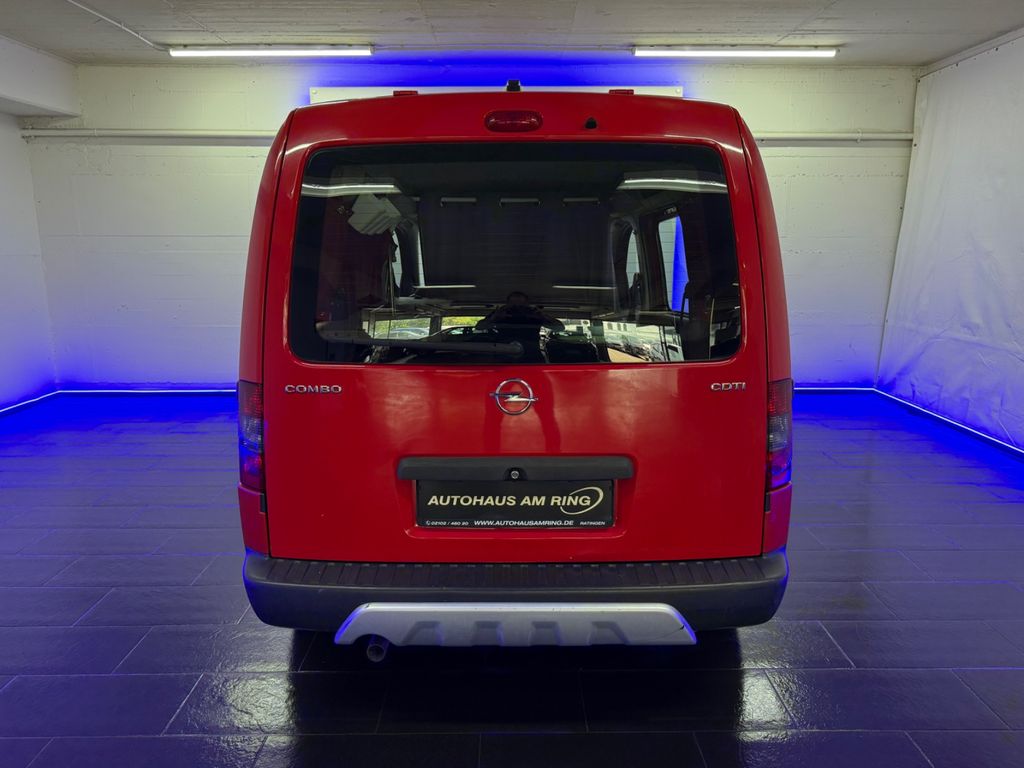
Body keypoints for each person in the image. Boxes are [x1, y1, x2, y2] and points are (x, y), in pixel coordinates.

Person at [476, 291, 564, 332]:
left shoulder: (533, 313)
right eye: (513, 303)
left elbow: (560, 328)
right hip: (503, 350)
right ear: (508, 303)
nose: (517, 306)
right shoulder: (501, 313)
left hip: (531, 352)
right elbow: (479, 327)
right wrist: (494, 317)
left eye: (520, 303)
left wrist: (544, 316)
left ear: (526, 304)